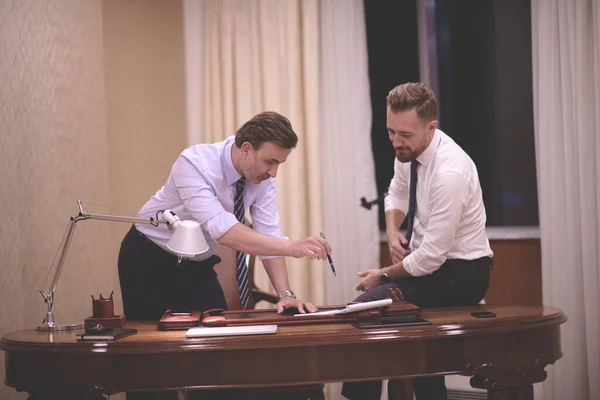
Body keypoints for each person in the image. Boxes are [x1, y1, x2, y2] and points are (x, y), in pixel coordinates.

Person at [118, 111, 331, 399]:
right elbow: (224, 231)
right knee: (149, 360)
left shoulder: (262, 180)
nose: (274, 172)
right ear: (246, 149)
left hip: (195, 264)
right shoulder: (194, 163)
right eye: (270, 161)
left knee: (218, 352)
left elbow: (269, 233)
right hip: (147, 256)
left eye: (279, 164)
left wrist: (285, 293)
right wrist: (292, 247)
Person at [342, 82, 493, 400]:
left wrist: (381, 274)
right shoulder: (409, 148)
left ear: (431, 127)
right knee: (402, 329)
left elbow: (429, 260)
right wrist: (393, 229)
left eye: (405, 134)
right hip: (435, 265)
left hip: (462, 274)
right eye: (390, 131)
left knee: (365, 309)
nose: (396, 142)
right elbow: (396, 190)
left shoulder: (450, 174)